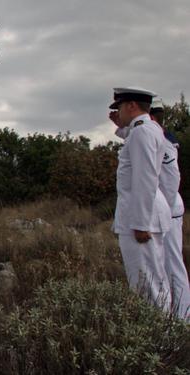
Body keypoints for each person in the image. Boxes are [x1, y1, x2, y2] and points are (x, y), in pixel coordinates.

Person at [108, 87, 172, 312]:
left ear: (131, 106)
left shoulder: (142, 132)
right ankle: (165, 336)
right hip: (147, 215)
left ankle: (161, 340)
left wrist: (141, 224)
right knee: (154, 280)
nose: (118, 112)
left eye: (120, 107)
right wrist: (121, 128)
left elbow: (144, 179)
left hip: (142, 219)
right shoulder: (148, 129)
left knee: (147, 285)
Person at [150, 100, 190, 320]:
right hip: (165, 209)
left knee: (173, 265)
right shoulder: (156, 136)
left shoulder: (163, 141)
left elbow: (171, 179)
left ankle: (183, 317)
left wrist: (162, 205)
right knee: (164, 265)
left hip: (168, 210)